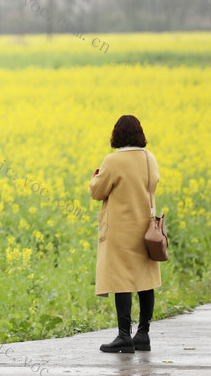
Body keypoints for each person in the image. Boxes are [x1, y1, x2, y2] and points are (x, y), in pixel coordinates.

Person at [89, 114, 161, 353]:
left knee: (122, 280)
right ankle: (143, 334)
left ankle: (123, 336)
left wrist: (94, 178)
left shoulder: (113, 161)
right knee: (145, 280)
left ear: (117, 135)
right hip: (146, 229)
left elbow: (97, 192)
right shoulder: (149, 158)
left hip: (120, 230)